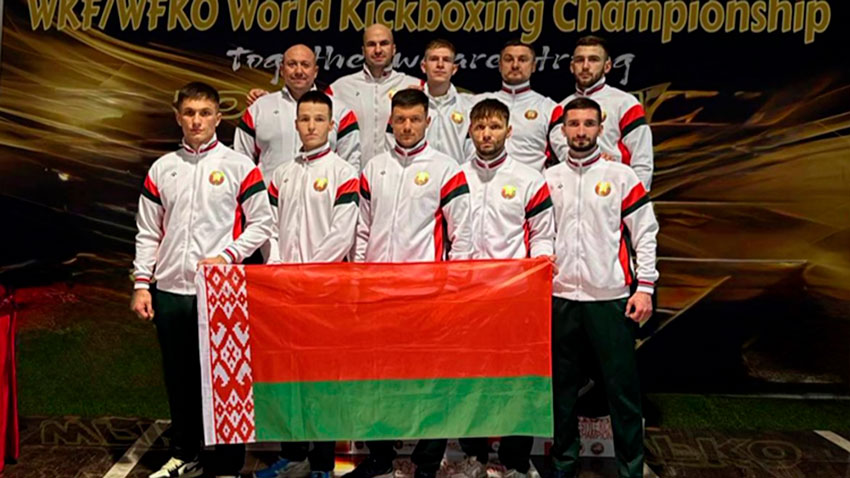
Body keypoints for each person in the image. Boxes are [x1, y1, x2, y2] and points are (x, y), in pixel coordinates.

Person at [131, 81, 273, 478]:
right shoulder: (163, 168)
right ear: (178, 117)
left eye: (205, 113)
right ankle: (185, 453)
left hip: (221, 291)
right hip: (170, 291)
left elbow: (262, 223)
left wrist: (227, 256)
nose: (197, 121)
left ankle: (228, 464)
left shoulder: (239, 166)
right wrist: (142, 284)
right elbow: (148, 231)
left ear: (218, 118)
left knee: (227, 379)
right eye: (190, 113)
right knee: (179, 377)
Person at [422, 98, 556, 478]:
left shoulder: (530, 179)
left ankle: (515, 461)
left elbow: (543, 237)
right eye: (480, 127)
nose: (486, 134)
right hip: (466, 297)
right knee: (469, 379)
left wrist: (535, 278)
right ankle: (475, 457)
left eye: (495, 127)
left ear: (509, 131)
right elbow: (445, 234)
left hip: (513, 299)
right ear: (469, 131)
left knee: (516, 379)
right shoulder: (455, 177)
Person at [345, 89, 473, 478]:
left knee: (431, 381)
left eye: (415, 119)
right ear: (390, 121)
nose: (407, 126)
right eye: (400, 119)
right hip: (378, 294)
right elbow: (362, 230)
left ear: (427, 122)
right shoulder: (374, 167)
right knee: (376, 380)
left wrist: (451, 290)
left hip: (426, 295)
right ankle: (380, 457)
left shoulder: (447, 169)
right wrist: (360, 280)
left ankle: (427, 462)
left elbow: (462, 236)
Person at [544, 97, 658, 478]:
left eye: (588, 124)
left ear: (600, 128)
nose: (581, 131)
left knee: (621, 391)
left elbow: (645, 233)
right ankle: (563, 464)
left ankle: (631, 469)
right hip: (559, 297)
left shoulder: (622, 177)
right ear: (563, 130)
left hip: (610, 299)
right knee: (561, 391)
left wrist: (645, 287)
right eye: (574, 124)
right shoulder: (549, 179)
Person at [252, 90, 359, 478]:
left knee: (323, 380)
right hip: (285, 290)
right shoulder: (281, 174)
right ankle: (293, 455)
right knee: (289, 377)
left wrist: (307, 275)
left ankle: (323, 463)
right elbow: (269, 228)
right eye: (305, 119)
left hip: (324, 292)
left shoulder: (344, 174)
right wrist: (279, 267)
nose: (311, 126)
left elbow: (342, 235)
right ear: (295, 123)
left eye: (319, 119)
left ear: (331, 125)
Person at [235, 44, 361, 179]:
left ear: (315, 71)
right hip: (269, 192)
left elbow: (351, 164)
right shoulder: (259, 108)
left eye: (305, 65)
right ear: (282, 70)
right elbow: (241, 161)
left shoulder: (340, 111)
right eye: (292, 64)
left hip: (323, 192)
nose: (299, 71)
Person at [550, 35, 653, 189]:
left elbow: (642, 161)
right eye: (579, 60)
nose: (585, 66)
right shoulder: (560, 109)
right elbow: (564, 155)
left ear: (607, 66)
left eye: (593, 60)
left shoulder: (625, 103)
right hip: (574, 190)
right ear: (572, 66)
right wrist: (594, 159)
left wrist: (636, 198)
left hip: (615, 189)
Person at [329, 24, 421, 164]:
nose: (378, 50)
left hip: (399, 172)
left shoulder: (415, 86)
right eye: (371, 44)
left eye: (384, 43)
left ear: (393, 49)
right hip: (352, 173)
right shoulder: (338, 88)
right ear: (363, 50)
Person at [476, 40, 561, 172]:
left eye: (522, 60)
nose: (515, 65)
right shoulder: (478, 103)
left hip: (532, 182)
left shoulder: (549, 108)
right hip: (485, 180)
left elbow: (567, 153)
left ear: (534, 66)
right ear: (500, 65)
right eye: (509, 59)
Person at [405, 38, 475, 163]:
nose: (440, 65)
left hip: (455, 173)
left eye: (446, 60)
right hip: (417, 172)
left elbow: (473, 150)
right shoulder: (412, 104)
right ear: (423, 66)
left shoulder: (468, 106)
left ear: (454, 69)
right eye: (434, 59)